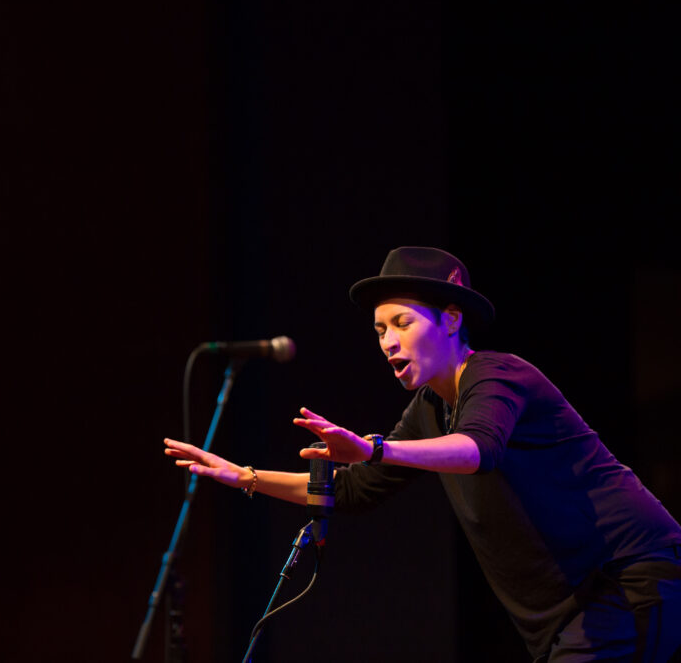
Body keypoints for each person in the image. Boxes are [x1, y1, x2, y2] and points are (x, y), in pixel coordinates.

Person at [164, 246, 681, 662]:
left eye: (401, 323)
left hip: (626, 579)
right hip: (564, 610)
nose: (387, 341)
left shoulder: (498, 375)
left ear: (452, 320)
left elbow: (477, 449)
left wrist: (373, 448)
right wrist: (246, 477)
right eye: (379, 330)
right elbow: (351, 490)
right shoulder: (429, 407)